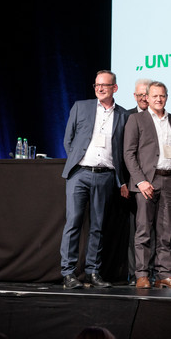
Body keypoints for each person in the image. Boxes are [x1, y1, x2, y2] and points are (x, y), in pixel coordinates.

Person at [60, 70, 128, 289]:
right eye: (97, 85)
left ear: (114, 88)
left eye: (105, 86)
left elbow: (123, 149)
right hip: (79, 173)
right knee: (74, 223)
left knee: (97, 226)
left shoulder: (123, 115)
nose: (99, 89)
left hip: (105, 176)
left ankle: (92, 271)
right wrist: (77, 160)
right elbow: (68, 139)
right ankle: (68, 272)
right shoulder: (81, 106)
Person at [124, 81, 171, 289]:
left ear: (167, 97)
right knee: (143, 230)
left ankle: (163, 274)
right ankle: (142, 274)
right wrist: (140, 181)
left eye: (162, 96)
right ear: (147, 98)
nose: (159, 99)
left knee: (166, 231)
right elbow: (129, 153)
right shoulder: (136, 119)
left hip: (169, 180)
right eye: (155, 96)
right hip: (146, 182)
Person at [125, 78, 153, 286]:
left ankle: (152, 272)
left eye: (147, 94)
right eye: (140, 95)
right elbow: (124, 153)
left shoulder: (163, 118)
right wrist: (124, 182)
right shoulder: (128, 116)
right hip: (132, 183)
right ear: (135, 96)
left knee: (155, 229)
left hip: (158, 182)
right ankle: (135, 272)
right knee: (136, 229)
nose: (144, 98)